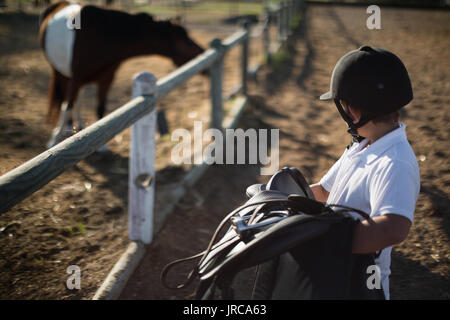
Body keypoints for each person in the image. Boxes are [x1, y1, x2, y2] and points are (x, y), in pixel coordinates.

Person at [310, 46, 420, 300]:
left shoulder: (395, 161)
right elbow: (325, 191)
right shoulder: (360, 146)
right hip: (337, 274)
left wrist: (326, 241)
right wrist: (283, 197)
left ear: (354, 112)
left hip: (360, 286)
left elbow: (393, 228)